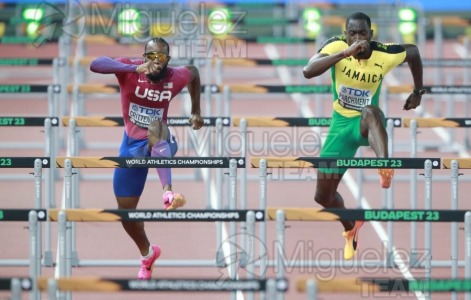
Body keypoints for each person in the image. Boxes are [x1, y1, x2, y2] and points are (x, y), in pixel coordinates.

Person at [303, 12, 424, 260]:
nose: (358, 38)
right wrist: (344, 53)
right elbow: (308, 71)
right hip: (340, 127)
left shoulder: (384, 53)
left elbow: (412, 52)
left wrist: (418, 91)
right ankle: (351, 227)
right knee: (323, 196)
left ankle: (385, 166)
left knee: (370, 111)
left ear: (371, 35)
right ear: (345, 34)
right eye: (352, 34)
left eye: (363, 34)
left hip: (367, 125)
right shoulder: (336, 45)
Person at [90, 37, 204, 279]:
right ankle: (147, 254)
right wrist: (133, 68)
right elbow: (96, 64)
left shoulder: (175, 77)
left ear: (167, 60)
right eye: (150, 56)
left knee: (156, 128)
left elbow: (193, 72)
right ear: (144, 57)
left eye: (160, 57)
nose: (155, 62)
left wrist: (196, 110)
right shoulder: (129, 69)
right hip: (131, 146)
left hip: (162, 141)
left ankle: (168, 191)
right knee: (126, 212)